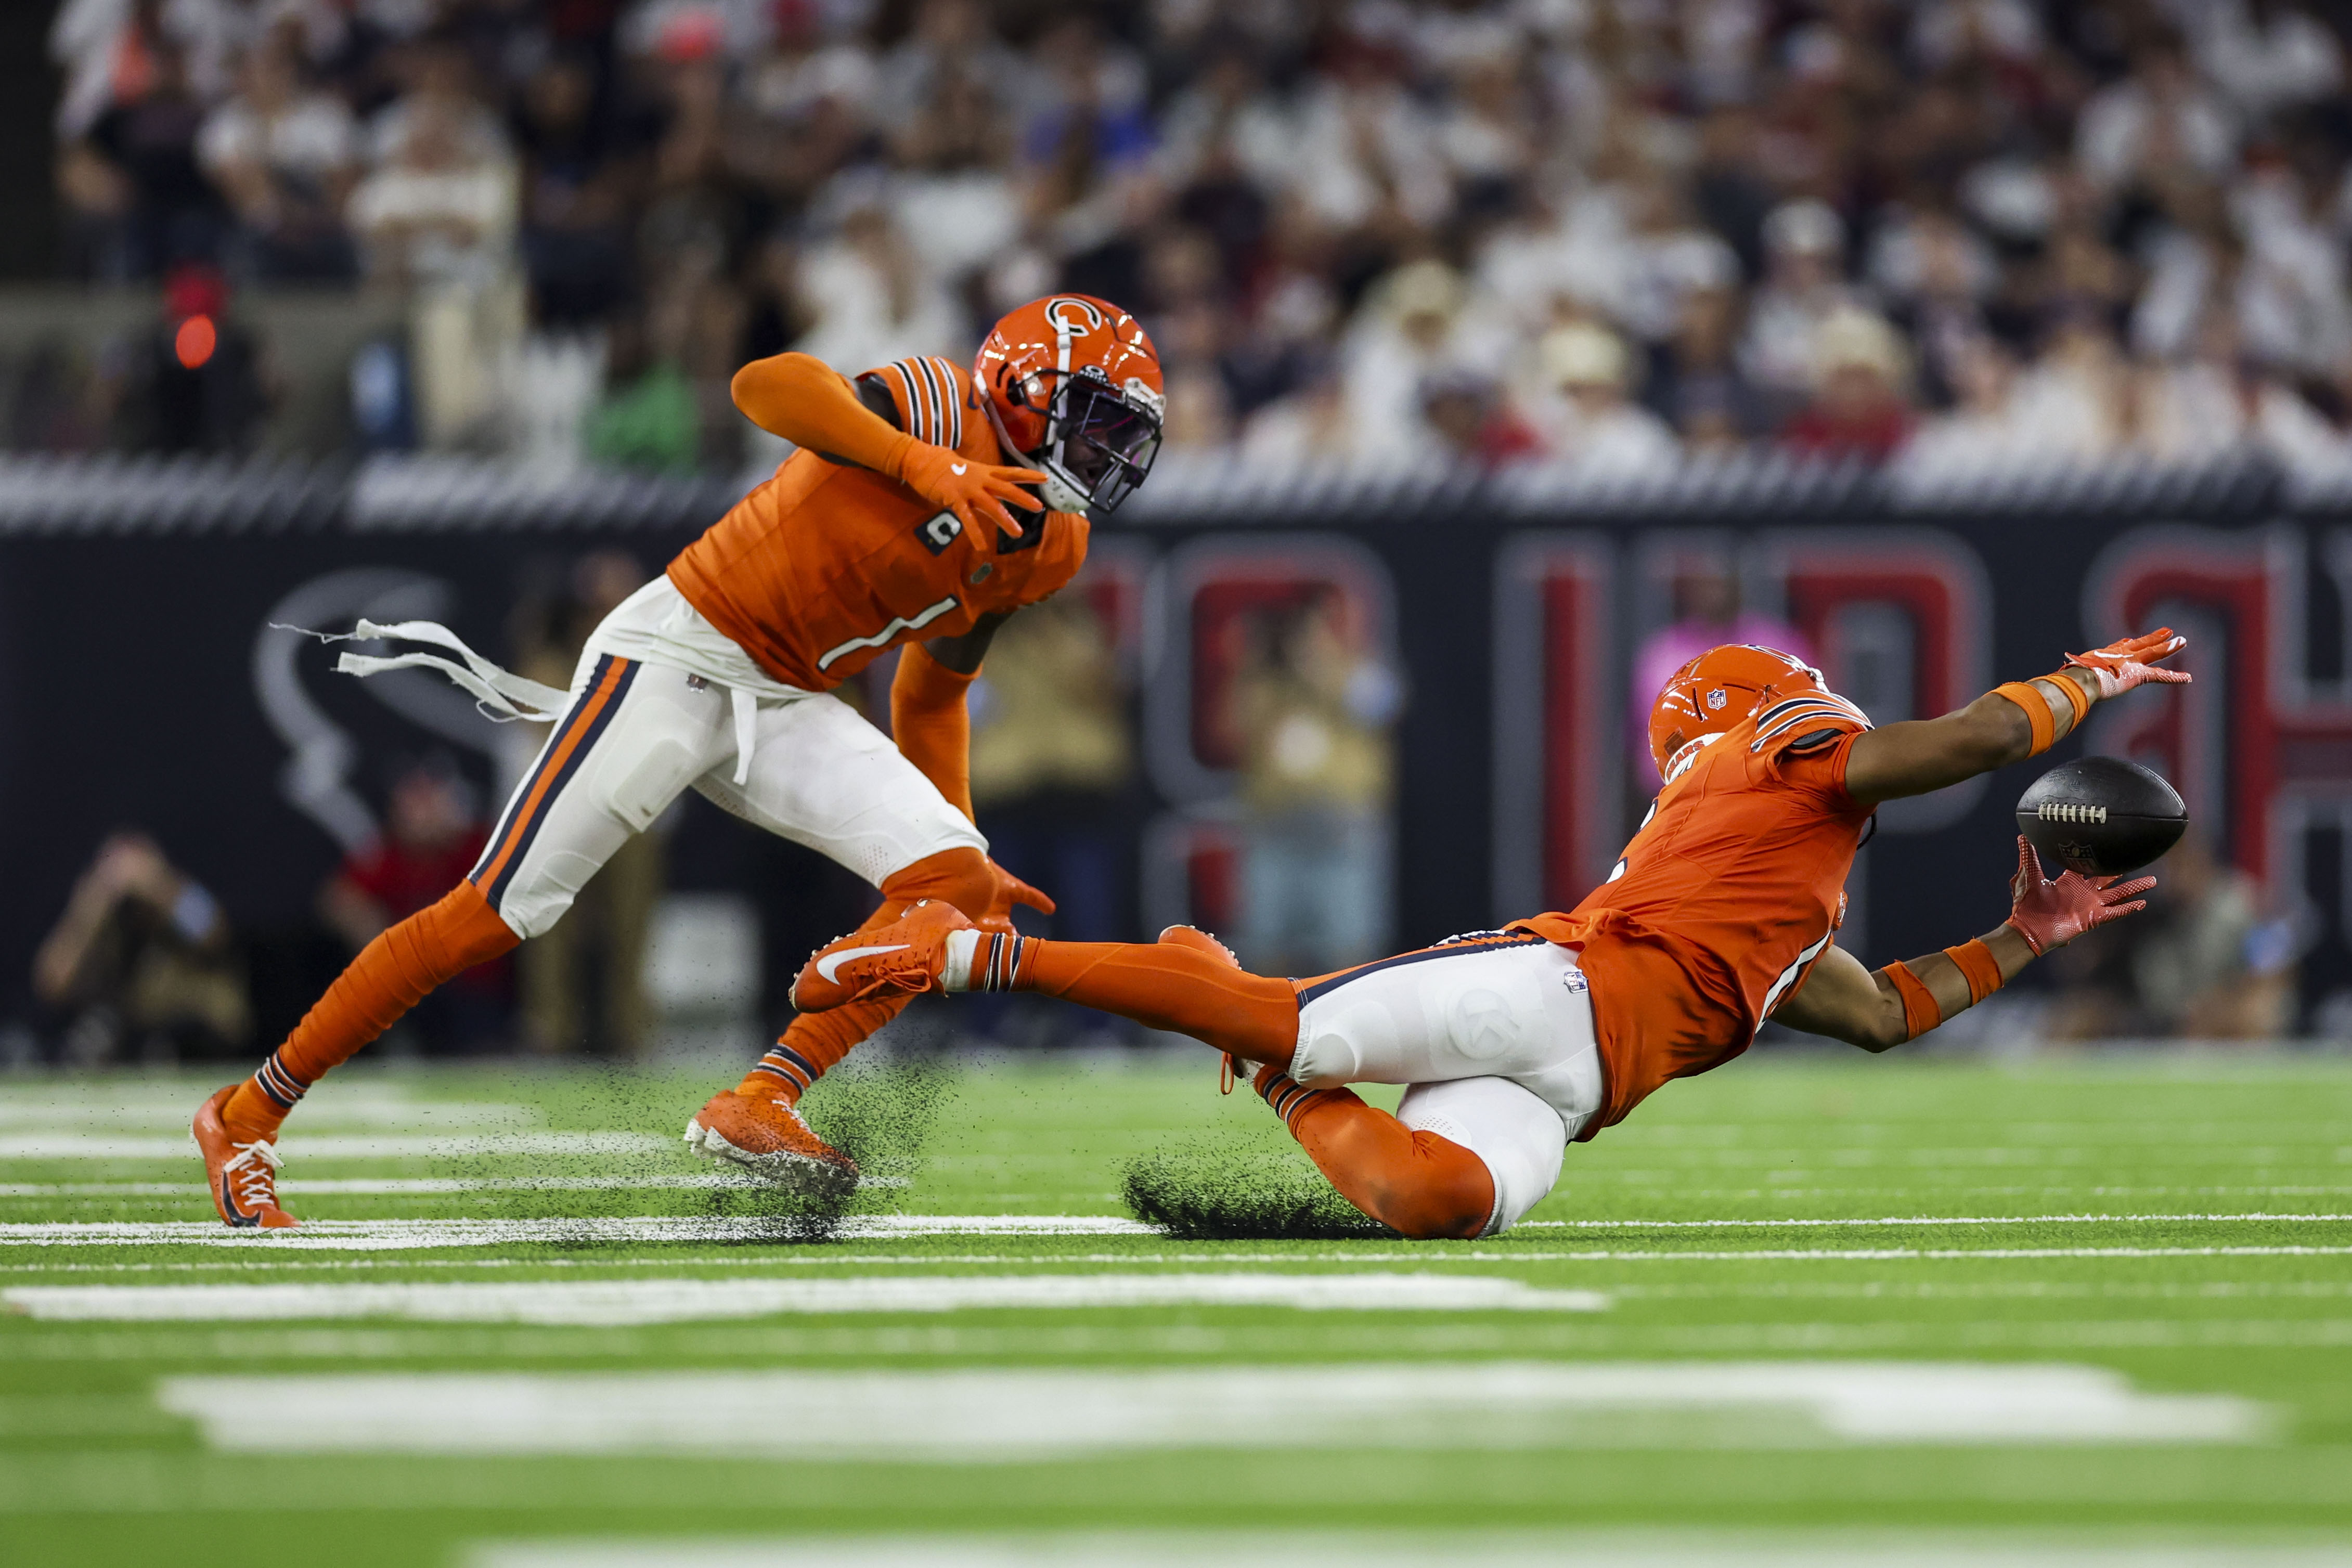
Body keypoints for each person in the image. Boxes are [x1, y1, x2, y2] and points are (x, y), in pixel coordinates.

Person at [192, 293, 1166, 1228]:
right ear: (1023, 390)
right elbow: (765, 387)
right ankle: (245, 1116)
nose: (1107, 454)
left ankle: (762, 1098)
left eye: (1121, 435)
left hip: (789, 698)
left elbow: (932, 689)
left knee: (954, 890)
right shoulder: (940, 404)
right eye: (1094, 422)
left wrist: (953, 844)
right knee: (494, 914)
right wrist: (924, 468)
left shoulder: (1054, 543)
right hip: (682, 650)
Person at [793, 631, 2191, 1239]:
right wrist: (2085, 682)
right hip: (1548, 991)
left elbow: (1881, 1013)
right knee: (1278, 1009)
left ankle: (1269, 1061)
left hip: (1568, 1083)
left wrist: (2026, 934)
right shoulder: (1778, 748)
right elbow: (1959, 744)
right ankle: (958, 952)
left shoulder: (1773, 888)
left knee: (1429, 1204)